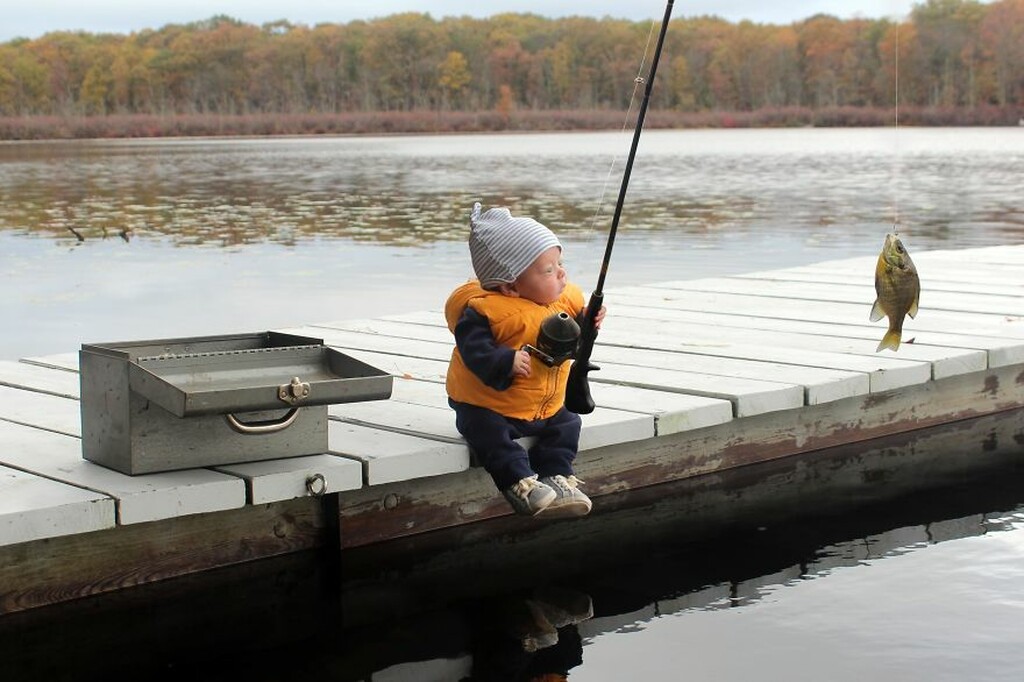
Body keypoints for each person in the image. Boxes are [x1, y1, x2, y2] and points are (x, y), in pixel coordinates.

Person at [446, 202, 605, 517]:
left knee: (568, 422)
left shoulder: (563, 299)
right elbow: (473, 350)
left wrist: (589, 323)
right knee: (486, 432)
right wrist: (505, 361)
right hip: (490, 405)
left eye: (559, 263)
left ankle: (557, 475)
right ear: (510, 286)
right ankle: (518, 483)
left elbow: (575, 343)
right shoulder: (483, 312)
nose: (561, 273)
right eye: (548, 270)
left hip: (542, 405)